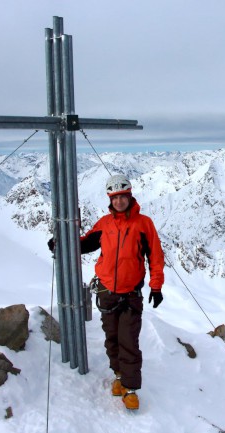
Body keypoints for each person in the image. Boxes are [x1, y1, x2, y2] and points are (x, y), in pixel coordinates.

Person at [79, 174, 164, 410]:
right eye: (115, 198)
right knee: (112, 340)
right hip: (106, 291)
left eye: (122, 197)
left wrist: (156, 286)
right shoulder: (104, 224)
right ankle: (118, 375)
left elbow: (155, 256)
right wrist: (61, 242)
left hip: (130, 295)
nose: (119, 202)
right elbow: (86, 244)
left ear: (129, 197)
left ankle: (131, 388)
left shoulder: (143, 224)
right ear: (110, 199)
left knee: (129, 341)